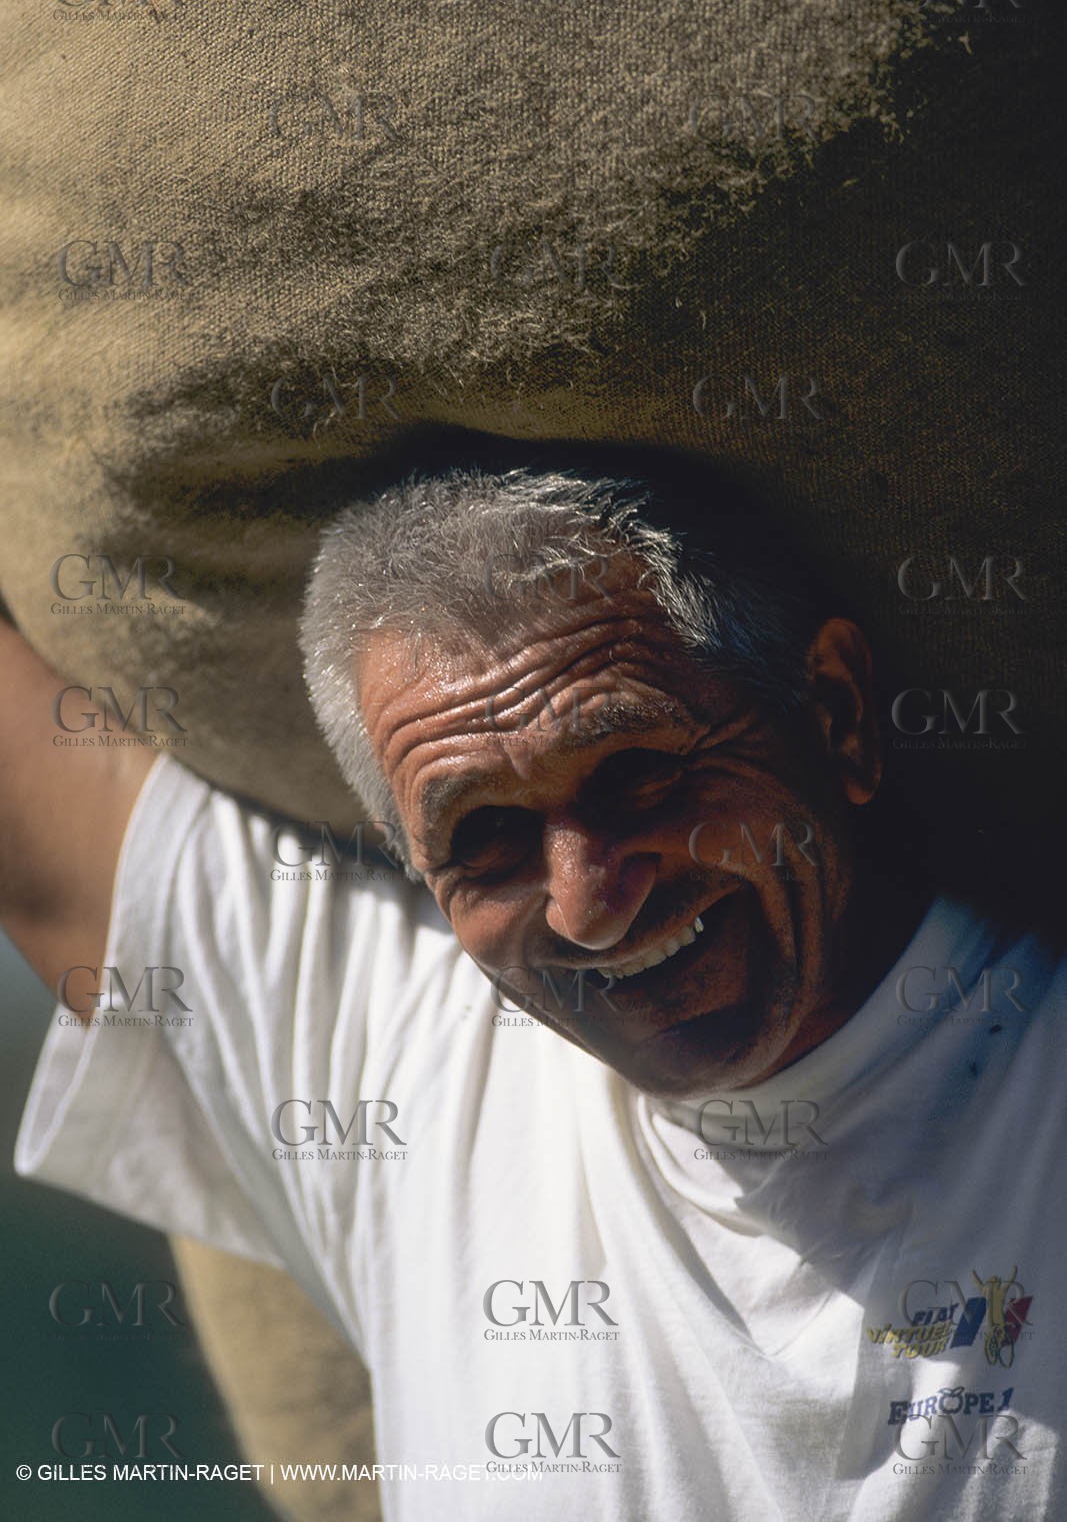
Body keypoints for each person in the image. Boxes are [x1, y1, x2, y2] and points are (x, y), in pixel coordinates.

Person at [4, 440, 1062, 1520]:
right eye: (489, 837)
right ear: (408, 852)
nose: (587, 901)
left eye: (641, 773)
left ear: (833, 716)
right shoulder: (398, 1078)